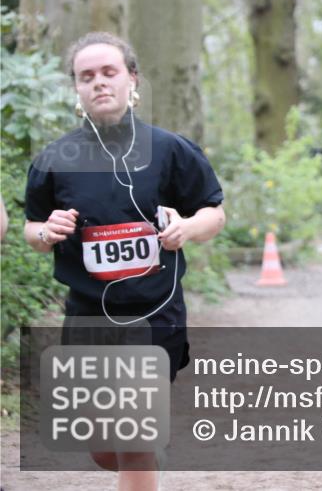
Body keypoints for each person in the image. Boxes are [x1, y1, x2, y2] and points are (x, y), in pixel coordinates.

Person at [23, 31, 225, 489]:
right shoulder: (55, 160)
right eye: (86, 76)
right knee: (102, 447)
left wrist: (186, 229)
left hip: (154, 315)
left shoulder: (171, 150)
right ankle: (147, 454)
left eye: (109, 72)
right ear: (75, 89)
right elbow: (32, 230)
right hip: (88, 316)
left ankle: (143, 452)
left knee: (131, 438)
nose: (99, 83)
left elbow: (215, 213)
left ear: (132, 80)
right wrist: (45, 231)